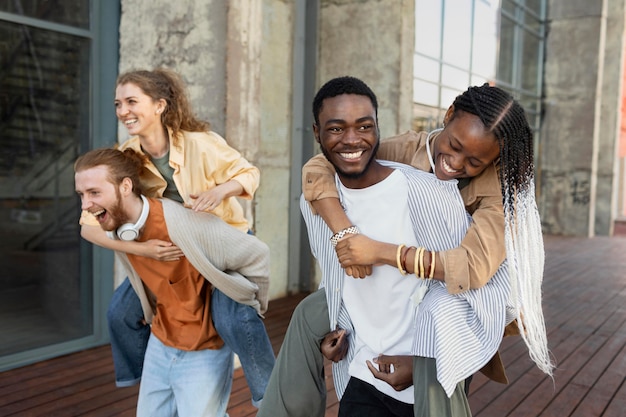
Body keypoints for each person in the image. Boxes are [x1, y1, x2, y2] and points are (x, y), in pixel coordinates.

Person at [257, 79, 553, 417]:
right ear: (448, 114)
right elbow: (322, 165)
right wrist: (344, 234)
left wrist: (422, 358)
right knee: (310, 315)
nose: (455, 163)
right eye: (454, 145)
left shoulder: (501, 193)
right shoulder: (404, 149)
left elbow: (471, 270)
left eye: (474, 161)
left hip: (451, 314)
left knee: (437, 315)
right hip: (388, 298)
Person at [79, 68, 274, 407]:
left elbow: (249, 174)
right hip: (178, 249)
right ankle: (147, 374)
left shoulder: (200, 144)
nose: (123, 111)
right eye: (117, 104)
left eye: (131, 101)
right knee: (119, 314)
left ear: (159, 105)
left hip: (223, 243)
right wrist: (139, 248)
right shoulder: (127, 157)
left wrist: (219, 191)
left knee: (234, 318)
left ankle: (269, 396)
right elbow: (88, 225)